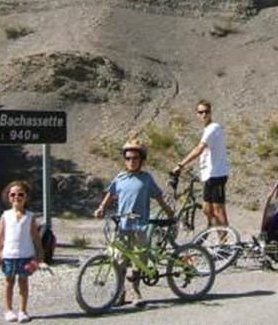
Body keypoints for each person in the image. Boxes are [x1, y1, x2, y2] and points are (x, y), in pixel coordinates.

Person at [94, 138, 173, 307]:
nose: (131, 161)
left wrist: (169, 213)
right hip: (122, 226)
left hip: (140, 226)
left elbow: (158, 197)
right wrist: (101, 208)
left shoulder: (146, 179)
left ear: (142, 160)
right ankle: (120, 292)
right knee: (118, 260)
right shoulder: (120, 178)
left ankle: (135, 291)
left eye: (135, 158)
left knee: (139, 259)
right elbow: (110, 194)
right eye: (128, 158)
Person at [173, 100, 230, 228]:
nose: (204, 115)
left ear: (210, 113)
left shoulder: (213, 128)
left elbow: (199, 149)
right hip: (209, 175)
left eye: (206, 112)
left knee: (218, 210)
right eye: (200, 112)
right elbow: (208, 153)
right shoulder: (207, 129)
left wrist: (181, 165)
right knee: (207, 210)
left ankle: (227, 243)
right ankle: (217, 237)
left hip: (217, 174)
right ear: (197, 114)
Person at [0, 180, 44, 323]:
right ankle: (9, 310)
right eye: (13, 194)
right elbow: (0, 236)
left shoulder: (30, 216)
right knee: (9, 282)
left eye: (20, 194)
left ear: (26, 197)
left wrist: (40, 255)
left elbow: (35, 237)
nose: (17, 197)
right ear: (8, 197)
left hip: (25, 255)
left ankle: (23, 311)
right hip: (9, 255)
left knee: (23, 282)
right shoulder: (5, 215)